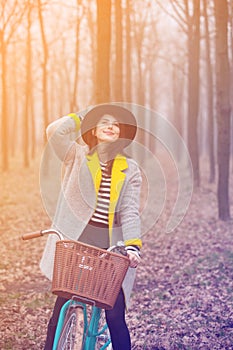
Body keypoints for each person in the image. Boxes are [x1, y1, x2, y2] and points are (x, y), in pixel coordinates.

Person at [40, 104, 142, 350]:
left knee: (115, 314)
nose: (110, 126)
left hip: (109, 250)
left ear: (121, 134)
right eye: (104, 122)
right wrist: (84, 116)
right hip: (74, 243)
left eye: (115, 124)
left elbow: (129, 211)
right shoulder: (77, 155)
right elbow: (54, 131)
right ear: (94, 131)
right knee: (61, 307)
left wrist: (132, 246)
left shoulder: (130, 170)